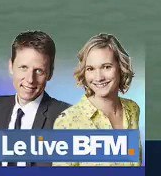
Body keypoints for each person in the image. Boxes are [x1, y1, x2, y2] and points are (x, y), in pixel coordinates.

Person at [53, 33, 141, 166]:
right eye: (90, 69)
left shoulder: (132, 109)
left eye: (106, 67)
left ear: (120, 68)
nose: (98, 77)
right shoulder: (67, 121)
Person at [0, 30, 71, 133]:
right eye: (23, 67)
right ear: (11, 66)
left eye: (39, 71)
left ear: (50, 73)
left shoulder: (66, 117)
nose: (30, 80)